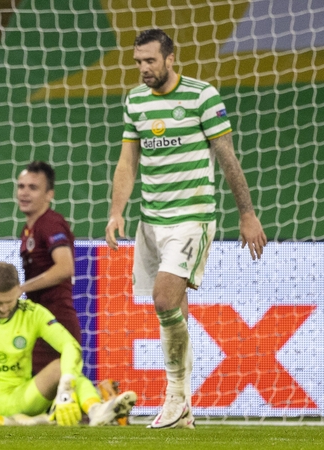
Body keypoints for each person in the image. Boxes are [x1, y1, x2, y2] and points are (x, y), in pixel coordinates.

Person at [105, 29, 267, 429]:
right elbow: (128, 162)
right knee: (172, 310)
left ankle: (174, 397)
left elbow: (227, 157)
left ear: (170, 58)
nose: (143, 69)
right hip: (151, 221)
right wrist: (116, 212)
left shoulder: (202, 96)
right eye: (138, 61)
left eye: (150, 61)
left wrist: (246, 214)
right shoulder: (136, 101)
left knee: (164, 300)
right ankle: (184, 411)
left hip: (192, 217)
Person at [0, 262, 136, 426]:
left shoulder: (33, 313)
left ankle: (96, 411)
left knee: (63, 370)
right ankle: (8, 424)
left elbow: (70, 346)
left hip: (22, 397)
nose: (3, 309)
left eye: (10, 301)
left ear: (19, 290)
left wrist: (65, 388)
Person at [17, 161, 81, 376]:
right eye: (21, 186)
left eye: (33, 188)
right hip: (39, 321)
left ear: (49, 194)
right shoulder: (29, 229)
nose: (24, 193)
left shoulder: (50, 224)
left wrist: (21, 288)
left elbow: (65, 267)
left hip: (56, 321)